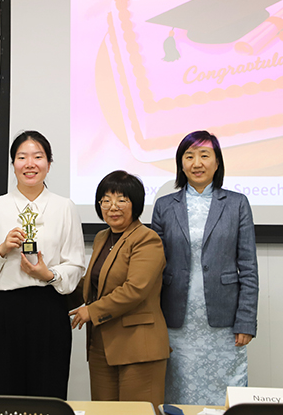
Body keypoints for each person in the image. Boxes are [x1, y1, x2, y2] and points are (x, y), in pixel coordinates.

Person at [0, 130, 85, 399]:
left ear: (49, 164)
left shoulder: (65, 207)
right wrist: (1, 249)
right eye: (22, 157)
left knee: (48, 392)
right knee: (4, 392)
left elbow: (76, 264)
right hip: (4, 311)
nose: (30, 164)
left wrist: (49, 274)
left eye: (38, 157)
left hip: (48, 309)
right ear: (13, 164)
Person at [150, 130, 259, 406]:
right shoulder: (164, 206)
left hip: (225, 322)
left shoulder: (237, 204)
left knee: (225, 393)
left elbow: (248, 268)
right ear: (181, 163)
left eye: (204, 155)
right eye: (189, 156)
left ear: (217, 162)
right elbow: (154, 268)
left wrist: (246, 321)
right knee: (178, 392)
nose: (196, 163)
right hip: (175, 319)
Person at [69, 170, 169, 407]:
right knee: (104, 412)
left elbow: (135, 289)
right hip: (102, 345)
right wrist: (51, 280)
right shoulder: (103, 237)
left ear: (136, 204)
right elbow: (93, 283)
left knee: (137, 412)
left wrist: (91, 311)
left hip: (138, 347)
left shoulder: (147, 239)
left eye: (121, 200)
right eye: (106, 200)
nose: (113, 207)